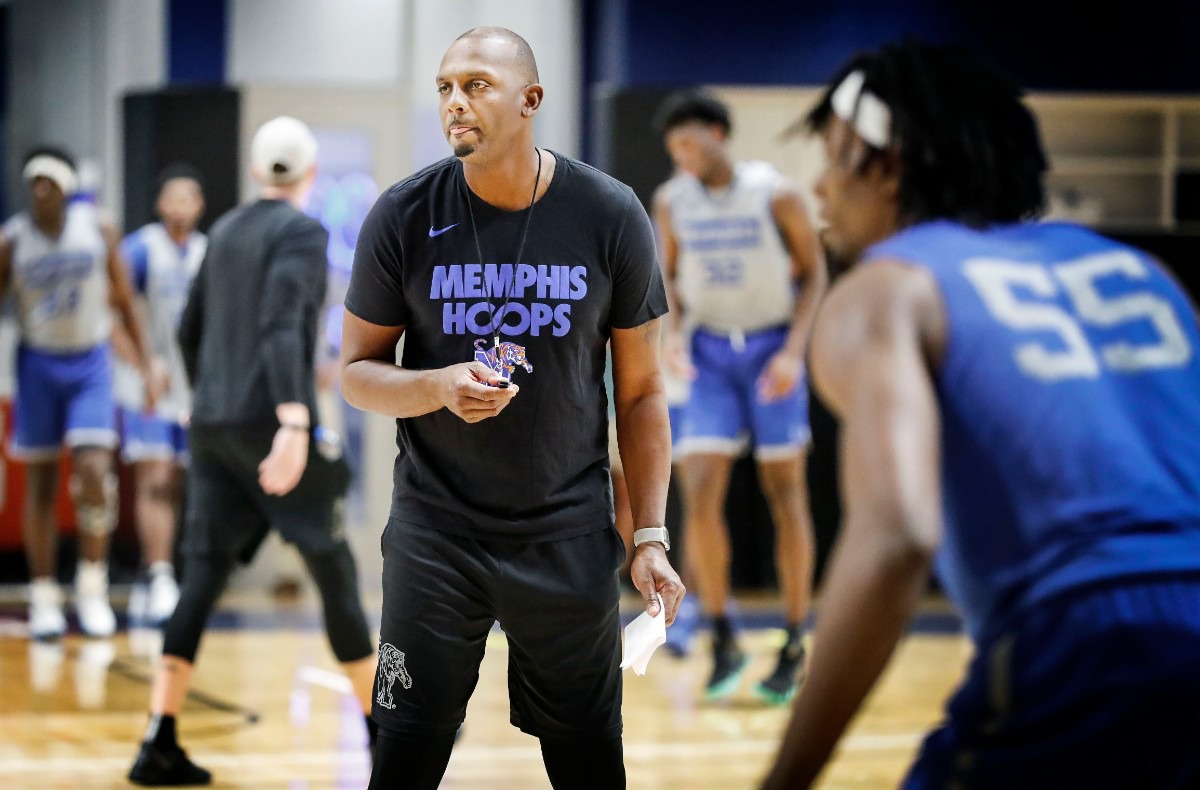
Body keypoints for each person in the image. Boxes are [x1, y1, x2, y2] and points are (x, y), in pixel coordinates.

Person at [763, 40, 1200, 789]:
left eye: (834, 158)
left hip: (1082, 636)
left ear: (888, 166)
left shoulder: (889, 289)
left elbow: (898, 534)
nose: (820, 187)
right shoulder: (1144, 273)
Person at [340, 27, 684, 790]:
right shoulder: (402, 214)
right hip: (437, 535)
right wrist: (437, 386)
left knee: (589, 767)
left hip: (567, 534)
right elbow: (357, 374)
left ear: (531, 100)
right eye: (445, 87)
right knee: (402, 763)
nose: (454, 103)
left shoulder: (609, 213)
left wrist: (650, 535)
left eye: (476, 85)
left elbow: (641, 393)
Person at [128, 116, 378, 786]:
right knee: (334, 569)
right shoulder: (302, 232)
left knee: (201, 575)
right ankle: (382, 730)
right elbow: (279, 323)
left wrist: (203, 394)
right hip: (273, 425)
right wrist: (294, 421)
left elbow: (189, 329)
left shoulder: (226, 231)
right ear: (310, 174)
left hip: (213, 426)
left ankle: (158, 737)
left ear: (253, 171)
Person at [652, 91, 827, 703]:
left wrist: (794, 351)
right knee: (699, 490)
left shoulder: (775, 193)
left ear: (720, 134)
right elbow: (668, 276)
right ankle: (722, 634)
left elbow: (815, 273)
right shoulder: (672, 201)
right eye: (674, 148)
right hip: (708, 353)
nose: (683, 155)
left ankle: (795, 638)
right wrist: (674, 336)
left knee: (786, 493)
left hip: (771, 346)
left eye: (690, 142)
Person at [0, 147, 157, 640]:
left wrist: (147, 364)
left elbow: (125, 299)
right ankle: (44, 594)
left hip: (90, 361)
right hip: (37, 362)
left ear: (67, 187)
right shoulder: (13, 239)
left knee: (93, 471)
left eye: (49, 182)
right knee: (41, 483)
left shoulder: (98, 229)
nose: (40, 191)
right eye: (33, 183)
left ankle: (92, 585)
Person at [112, 164, 208, 628]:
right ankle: (158, 574)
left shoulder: (209, 252)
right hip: (148, 385)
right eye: (173, 198)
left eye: (188, 198)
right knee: (155, 478)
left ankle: (177, 575)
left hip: (196, 388)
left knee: (187, 482)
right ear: (159, 204)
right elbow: (111, 316)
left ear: (200, 206)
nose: (180, 207)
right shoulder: (139, 249)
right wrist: (142, 364)